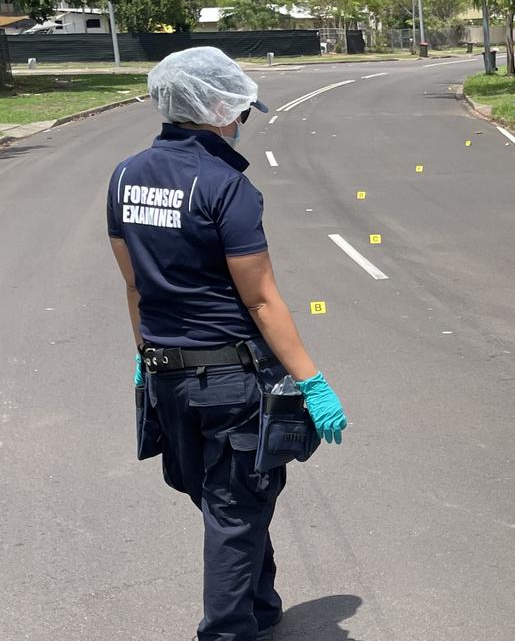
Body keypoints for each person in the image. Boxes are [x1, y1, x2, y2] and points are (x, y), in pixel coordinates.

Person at [108, 46, 349, 641]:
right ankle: (226, 631)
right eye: (240, 112)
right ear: (217, 109)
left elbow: (134, 286)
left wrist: (145, 358)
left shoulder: (125, 176)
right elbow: (262, 299)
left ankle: (261, 605)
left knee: (226, 502)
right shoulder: (225, 186)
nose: (240, 122)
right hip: (229, 383)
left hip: (167, 376)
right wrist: (314, 383)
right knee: (236, 508)